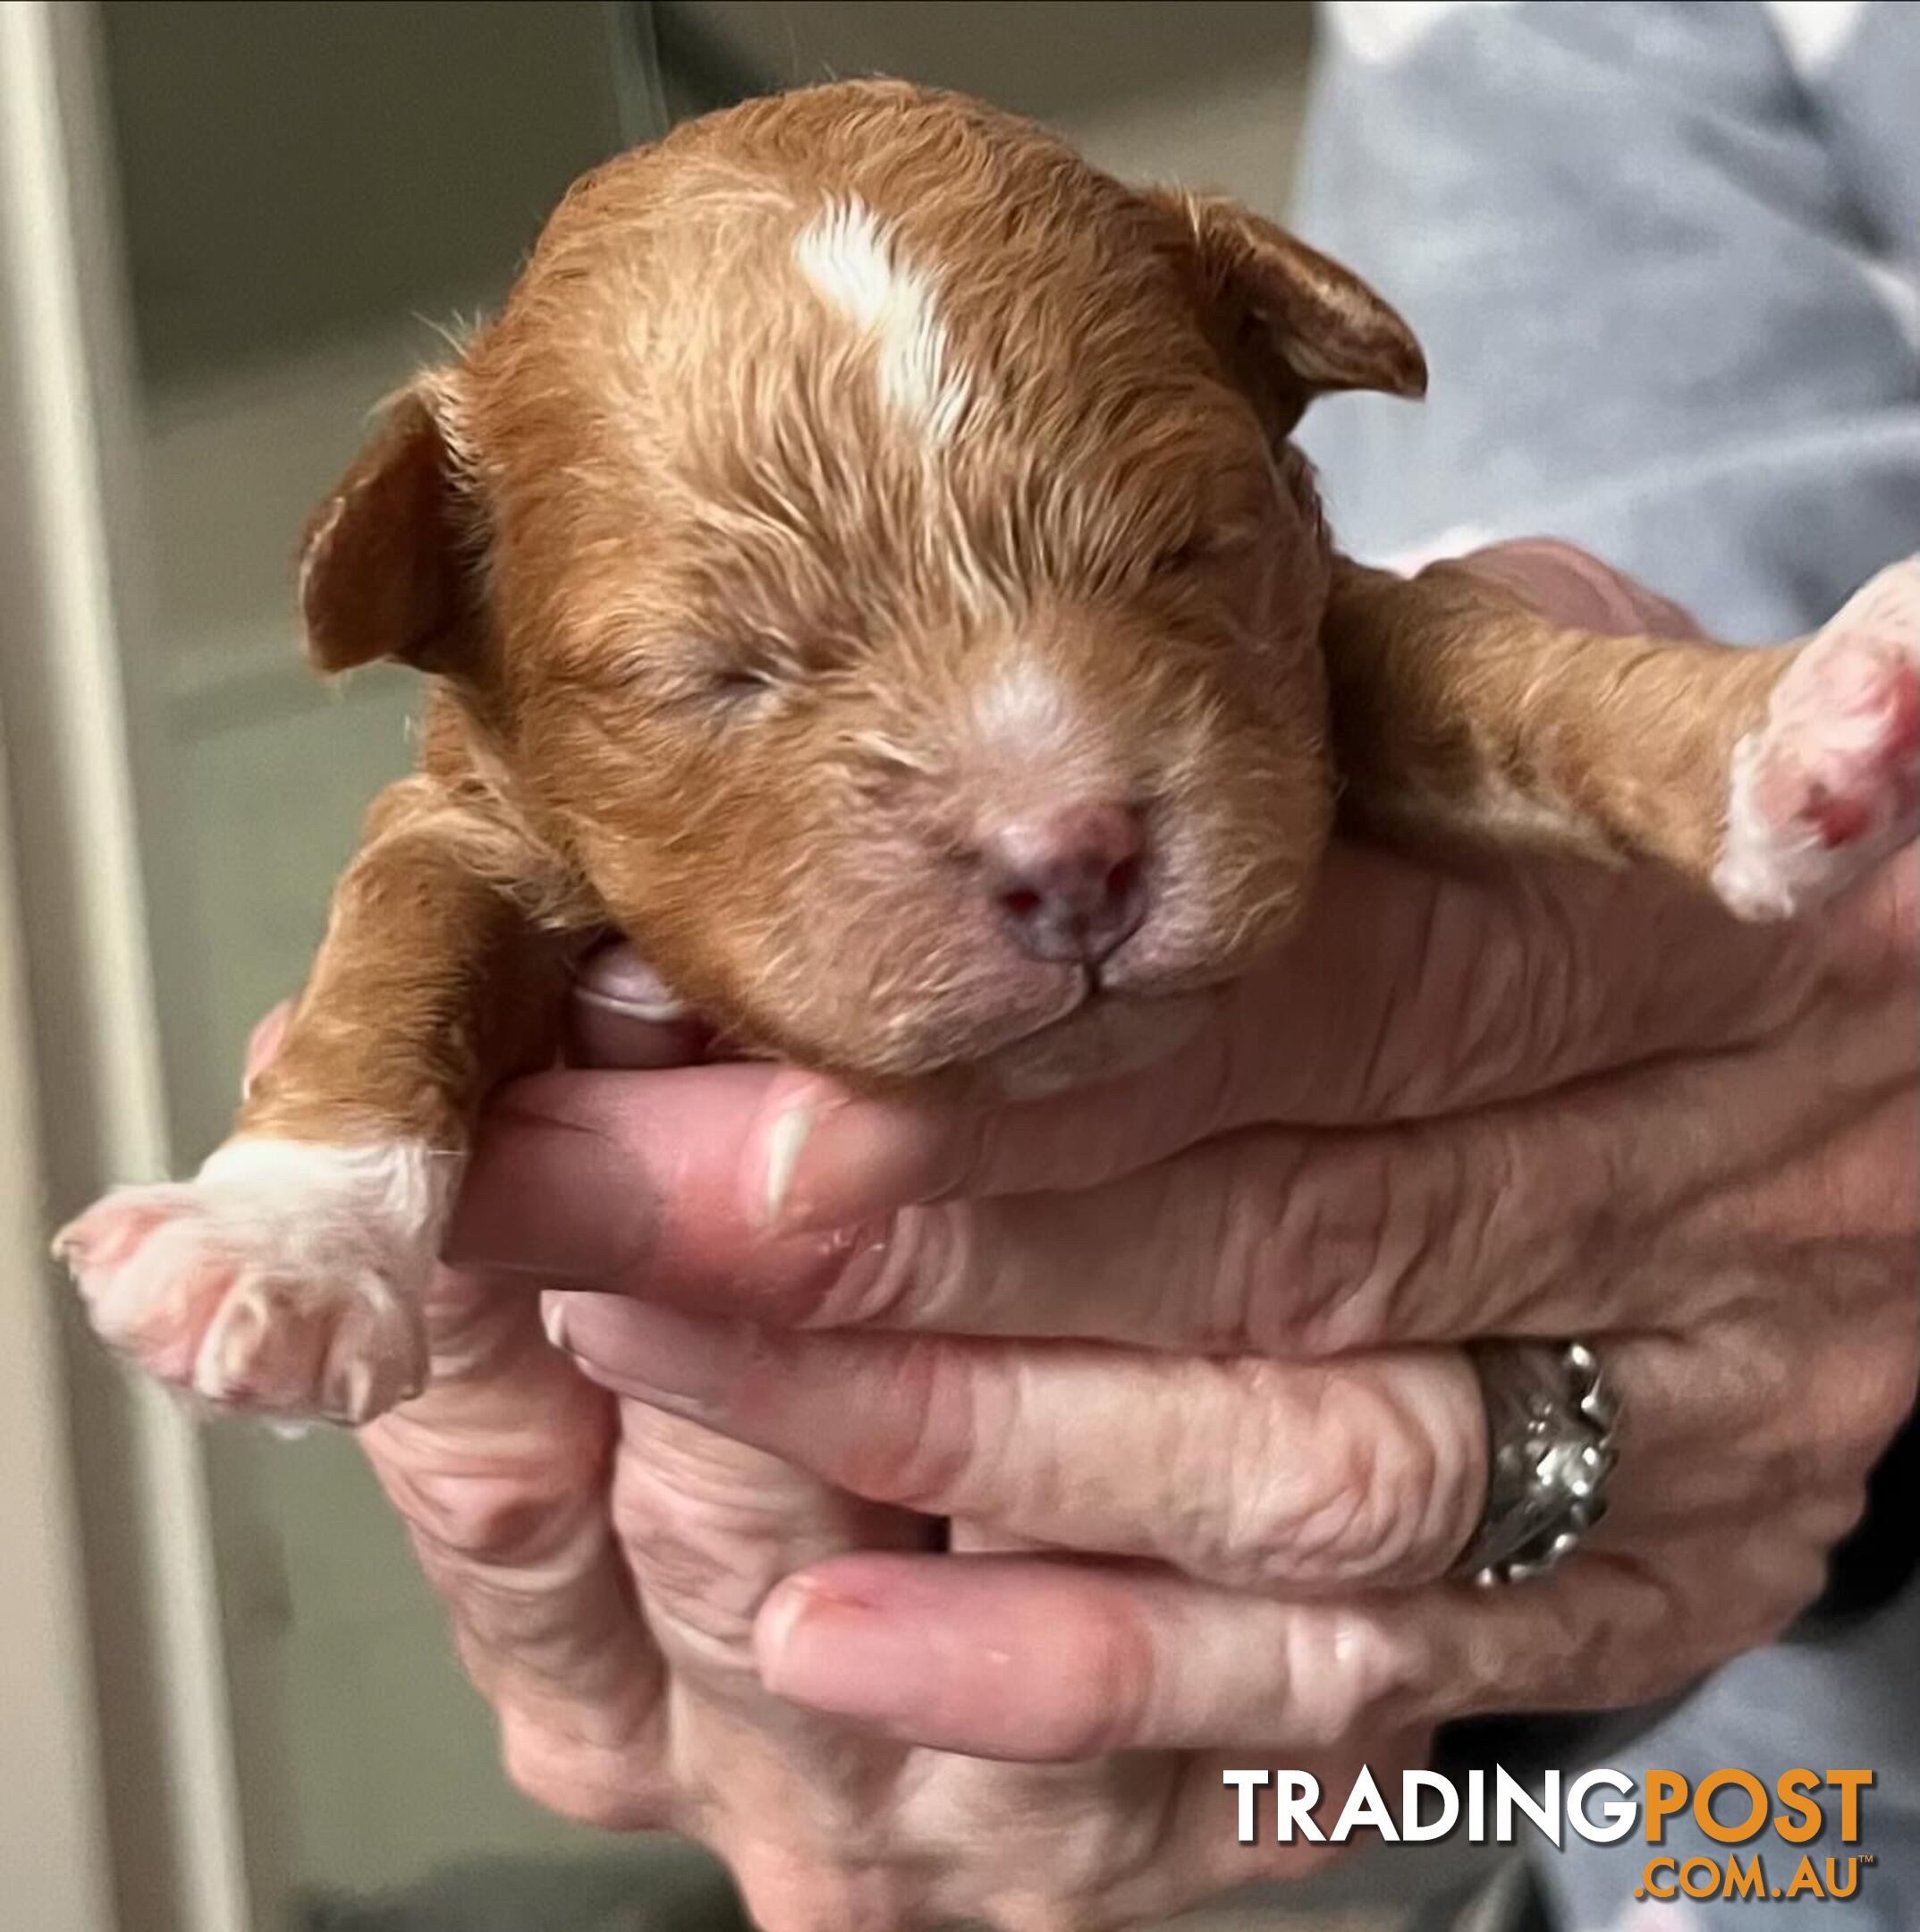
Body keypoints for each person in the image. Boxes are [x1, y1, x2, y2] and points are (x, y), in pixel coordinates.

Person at [271, 4, 1919, 1926]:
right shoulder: (1554, 40)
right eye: (724, 673)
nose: (1055, 826)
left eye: (1172, 556)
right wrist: (1461, 1683)